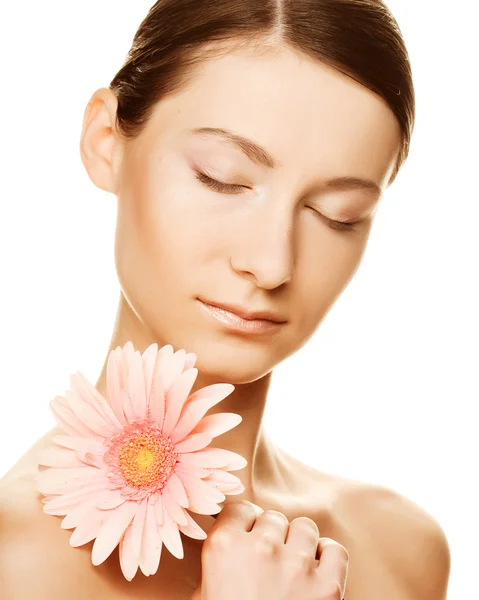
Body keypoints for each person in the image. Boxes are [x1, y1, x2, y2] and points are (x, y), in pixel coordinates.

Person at [0, 0, 451, 598]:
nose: (271, 264)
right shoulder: (15, 560)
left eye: (337, 215)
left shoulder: (401, 551)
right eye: (221, 178)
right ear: (106, 140)